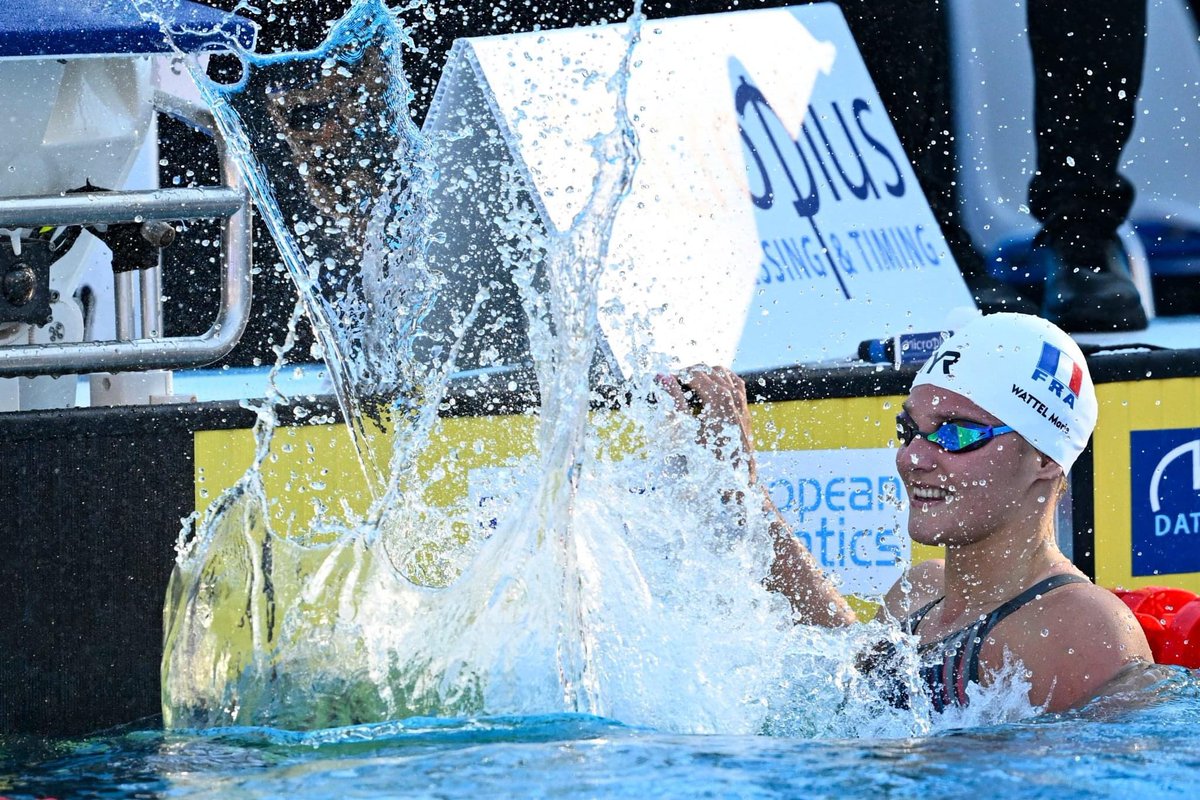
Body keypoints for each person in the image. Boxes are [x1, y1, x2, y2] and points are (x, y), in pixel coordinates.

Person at [661, 313, 1153, 713]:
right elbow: (850, 677)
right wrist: (740, 487)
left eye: (956, 432)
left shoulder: (1080, 629)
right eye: (910, 429)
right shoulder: (920, 592)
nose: (913, 457)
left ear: (1044, 458)